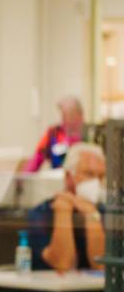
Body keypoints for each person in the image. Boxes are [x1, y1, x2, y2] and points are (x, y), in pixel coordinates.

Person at [28, 143, 106, 272]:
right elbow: (62, 264)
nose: (96, 182)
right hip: (52, 290)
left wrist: (91, 214)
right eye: (89, 174)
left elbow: (101, 266)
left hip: (92, 291)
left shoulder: (103, 212)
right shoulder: (43, 212)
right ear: (69, 177)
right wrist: (63, 211)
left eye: (101, 177)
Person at [24, 96, 85, 172]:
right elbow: (38, 157)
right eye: (63, 115)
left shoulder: (90, 133)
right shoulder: (53, 132)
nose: (64, 119)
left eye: (69, 115)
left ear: (80, 115)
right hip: (60, 179)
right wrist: (24, 177)